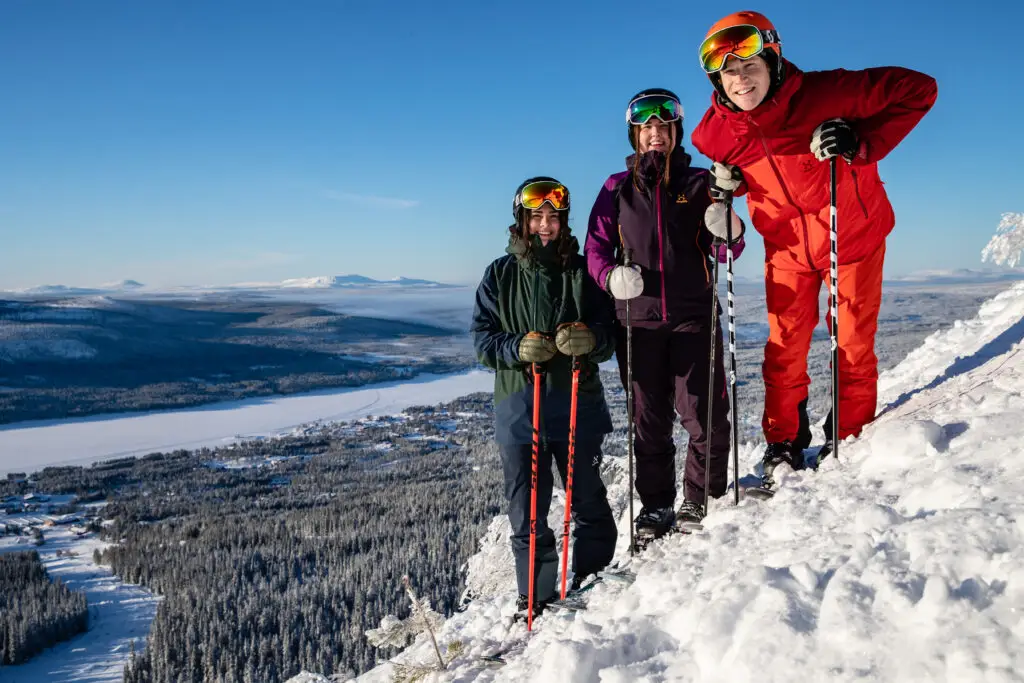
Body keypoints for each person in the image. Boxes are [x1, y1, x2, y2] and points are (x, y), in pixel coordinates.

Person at [690, 11, 937, 479]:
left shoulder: (831, 93)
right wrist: (730, 185)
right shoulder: (713, 133)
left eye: (751, 67)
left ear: (773, 60)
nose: (741, 80)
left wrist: (859, 140)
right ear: (717, 81)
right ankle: (783, 441)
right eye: (729, 73)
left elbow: (920, 89)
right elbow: (746, 171)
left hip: (853, 237)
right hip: (785, 249)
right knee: (783, 348)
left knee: (851, 343)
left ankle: (849, 434)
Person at [584, 89, 746, 542]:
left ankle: (703, 496)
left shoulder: (699, 183)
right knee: (649, 422)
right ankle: (656, 507)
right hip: (636, 323)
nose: (655, 133)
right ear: (635, 135)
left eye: (663, 126)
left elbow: (726, 247)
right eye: (646, 127)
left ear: (675, 131)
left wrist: (729, 230)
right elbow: (595, 247)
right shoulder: (616, 187)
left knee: (705, 413)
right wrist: (610, 276)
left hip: (693, 316)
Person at [471, 176, 618, 617]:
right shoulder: (499, 274)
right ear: (522, 220)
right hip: (520, 410)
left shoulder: (582, 271)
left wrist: (590, 339)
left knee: (587, 498)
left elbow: (611, 335)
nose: (546, 225)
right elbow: (483, 340)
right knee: (528, 515)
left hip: (577, 405)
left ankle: (593, 581)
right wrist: (516, 348)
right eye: (537, 216)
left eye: (553, 217)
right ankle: (535, 598)